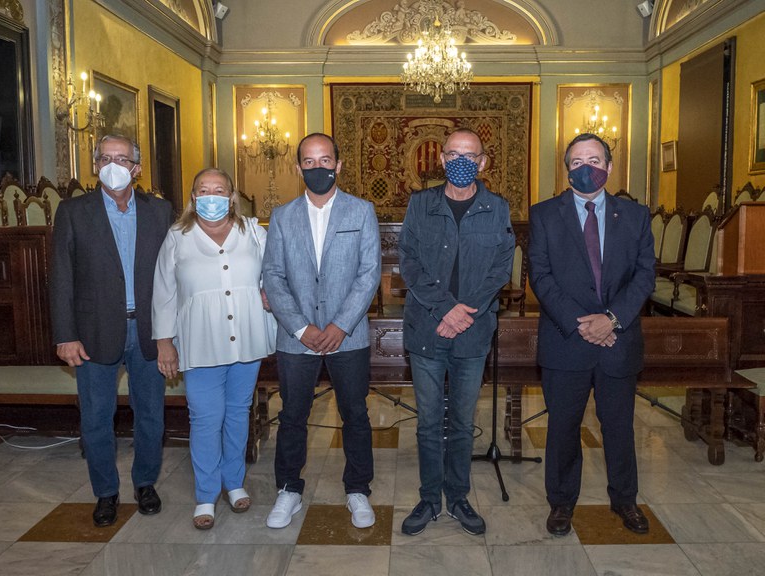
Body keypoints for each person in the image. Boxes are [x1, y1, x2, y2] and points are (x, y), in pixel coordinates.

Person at [528, 133, 655, 537]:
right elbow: (540, 276)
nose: (587, 168)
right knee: (563, 428)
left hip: (619, 340)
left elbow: (645, 275)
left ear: (609, 167)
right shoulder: (544, 215)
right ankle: (561, 502)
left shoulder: (635, 216)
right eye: (578, 162)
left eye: (595, 160)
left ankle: (625, 499)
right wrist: (582, 323)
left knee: (619, 427)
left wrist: (611, 320)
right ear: (567, 169)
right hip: (566, 339)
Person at [50, 134, 172, 527]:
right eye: (105, 158)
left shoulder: (160, 211)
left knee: (151, 414)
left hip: (149, 330)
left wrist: (172, 333)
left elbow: (174, 275)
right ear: (95, 165)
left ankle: (145, 483)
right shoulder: (73, 212)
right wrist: (65, 335)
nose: (113, 165)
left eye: (122, 159)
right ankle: (105, 492)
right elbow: (61, 277)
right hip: (92, 332)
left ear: (137, 168)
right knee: (96, 417)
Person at [398, 128, 514, 536]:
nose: (462, 161)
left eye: (470, 155)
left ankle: (459, 497)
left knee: (463, 424)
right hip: (428, 328)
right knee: (429, 422)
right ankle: (430, 499)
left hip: (473, 332)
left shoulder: (497, 208)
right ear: (443, 159)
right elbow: (409, 261)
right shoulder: (421, 204)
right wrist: (445, 308)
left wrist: (466, 311)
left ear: (483, 162)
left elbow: (501, 269)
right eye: (454, 154)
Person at [262, 133, 381, 530]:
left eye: (325, 160)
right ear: (298, 168)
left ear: (338, 165)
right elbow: (273, 276)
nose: (318, 168)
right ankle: (288, 489)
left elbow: (369, 274)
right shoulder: (282, 216)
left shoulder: (361, 212)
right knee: (292, 415)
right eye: (309, 162)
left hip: (348, 335)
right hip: (296, 337)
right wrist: (300, 328)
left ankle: (358, 489)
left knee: (355, 414)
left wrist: (339, 325)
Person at [151, 168, 275, 530]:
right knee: (206, 418)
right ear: (193, 198)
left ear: (231, 197)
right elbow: (163, 292)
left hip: (246, 338)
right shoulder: (178, 237)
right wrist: (164, 342)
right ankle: (206, 494)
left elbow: (274, 271)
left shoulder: (253, 231)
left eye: (218, 190)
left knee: (237, 413)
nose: (211, 196)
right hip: (200, 340)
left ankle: (233, 483)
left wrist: (269, 290)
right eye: (203, 190)